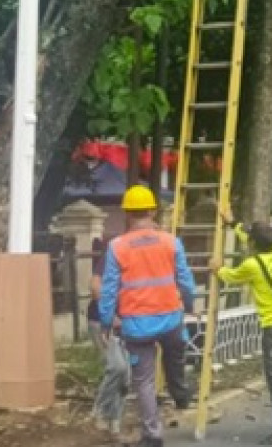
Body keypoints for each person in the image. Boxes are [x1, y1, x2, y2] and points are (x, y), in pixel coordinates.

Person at [99, 185, 195, 447]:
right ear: (152, 210)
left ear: (127, 213)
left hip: (137, 325)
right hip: (171, 320)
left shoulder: (117, 247)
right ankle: (180, 392)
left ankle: (153, 435)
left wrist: (106, 322)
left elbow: (108, 290)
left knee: (144, 381)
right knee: (175, 359)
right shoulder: (171, 242)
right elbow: (185, 280)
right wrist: (189, 304)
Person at [214, 218, 272, 446]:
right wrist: (234, 223)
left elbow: (229, 276)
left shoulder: (252, 265)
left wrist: (217, 268)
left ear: (254, 243)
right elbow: (250, 238)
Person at [88, 237, 128, 439]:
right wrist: (109, 317)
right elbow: (95, 287)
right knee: (117, 367)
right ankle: (100, 410)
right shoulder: (113, 256)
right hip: (104, 323)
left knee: (125, 376)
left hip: (129, 325)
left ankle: (114, 425)